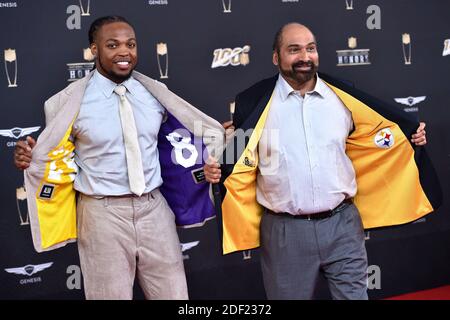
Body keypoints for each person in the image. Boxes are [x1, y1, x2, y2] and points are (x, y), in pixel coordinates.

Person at [204, 23, 440, 300]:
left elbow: (375, 138)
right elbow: (238, 157)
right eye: (294, 49)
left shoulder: (343, 95)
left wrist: (409, 136)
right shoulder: (252, 102)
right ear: (276, 57)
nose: (305, 56)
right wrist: (215, 169)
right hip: (285, 233)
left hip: (344, 226)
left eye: (311, 48)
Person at [14, 15, 223, 300]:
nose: (124, 52)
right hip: (102, 215)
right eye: (112, 45)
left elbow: (179, 142)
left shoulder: (154, 94)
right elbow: (50, 153)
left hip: (154, 209)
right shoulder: (68, 102)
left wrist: (212, 152)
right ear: (94, 50)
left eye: (131, 44)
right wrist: (28, 157)